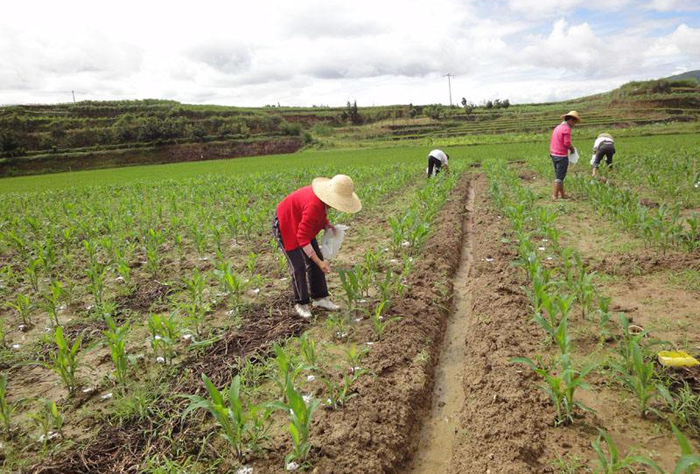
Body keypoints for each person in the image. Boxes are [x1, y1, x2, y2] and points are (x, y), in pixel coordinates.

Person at [273, 174, 362, 319]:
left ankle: (320, 298)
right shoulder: (314, 205)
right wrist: (320, 263)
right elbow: (302, 237)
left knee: (316, 258)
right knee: (298, 265)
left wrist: (327, 225)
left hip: (301, 221)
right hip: (286, 222)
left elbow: (318, 215)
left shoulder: (321, 202)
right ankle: (301, 303)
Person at [549, 110, 580, 200]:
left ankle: (562, 195)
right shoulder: (566, 129)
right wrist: (572, 149)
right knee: (559, 177)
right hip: (561, 156)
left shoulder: (558, 127)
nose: (574, 124)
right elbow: (566, 143)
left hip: (553, 154)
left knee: (559, 175)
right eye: (574, 122)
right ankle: (554, 196)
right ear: (570, 120)